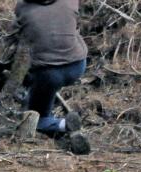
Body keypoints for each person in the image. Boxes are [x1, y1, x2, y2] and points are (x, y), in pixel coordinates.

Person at [14, 0, 87, 136]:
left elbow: (17, 35)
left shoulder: (22, 7)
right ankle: (45, 100)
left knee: (37, 118)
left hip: (48, 74)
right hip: (77, 65)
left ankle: (63, 125)